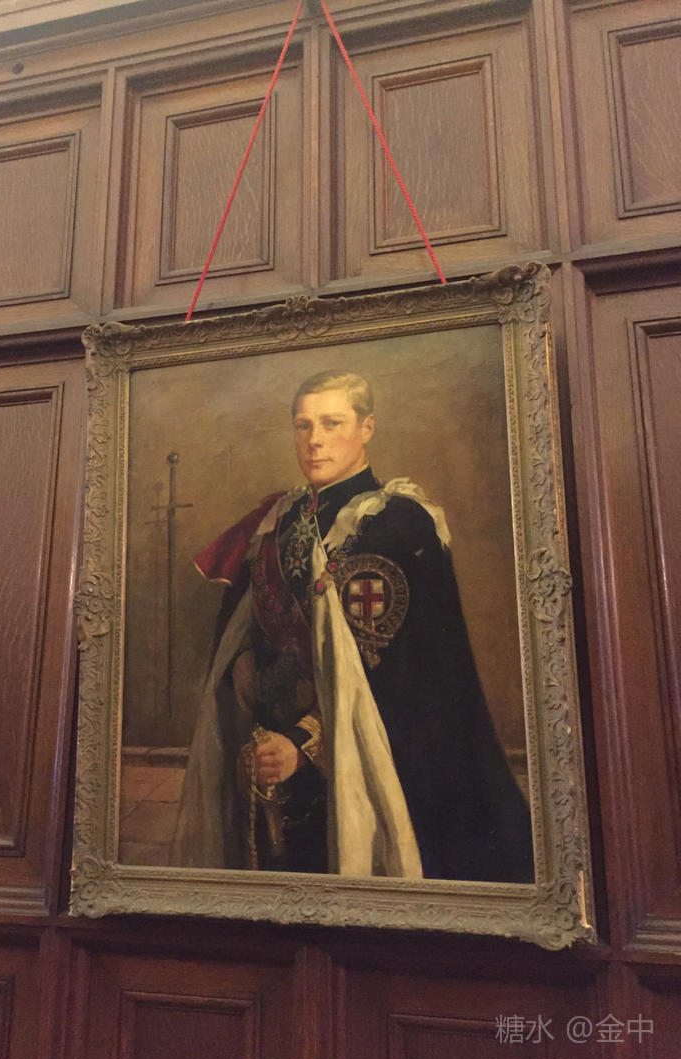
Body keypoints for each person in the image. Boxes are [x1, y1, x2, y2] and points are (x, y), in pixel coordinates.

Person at [170, 370, 534, 882]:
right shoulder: (276, 522)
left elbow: (410, 680)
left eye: (332, 423)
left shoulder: (399, 524)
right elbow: (239, 643)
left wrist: (303, 745)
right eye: (303, 425)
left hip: (363, 767)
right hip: (269, 763)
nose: (314, 440)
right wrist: (252, 713)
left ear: (367, 428)